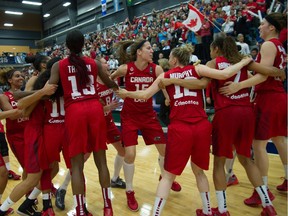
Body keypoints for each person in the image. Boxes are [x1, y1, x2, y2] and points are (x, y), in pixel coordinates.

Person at [115, 44, 254, 216]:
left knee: (167, 176)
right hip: (202, 126)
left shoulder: (166, 75)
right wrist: (244, 62)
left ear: (173, 59)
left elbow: (144, 95)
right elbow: (225, 74)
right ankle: (208, 211)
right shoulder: (198, 70)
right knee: (200, 173)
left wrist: (126, 94)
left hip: (180, 127)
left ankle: (156, 213)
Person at [159, 35, 284, 216]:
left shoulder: (213, 63)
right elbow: (266, 73)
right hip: (247, 113)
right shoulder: (243, 61)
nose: (210, 52)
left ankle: (223, 209)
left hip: (226, 114)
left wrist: (173, 81)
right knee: (247, 159)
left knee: (219, 163)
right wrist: (278, 73)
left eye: (211, 49)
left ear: (216, 49)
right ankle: (268, 205)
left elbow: (202, 83)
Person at [49, 29, 118, 216]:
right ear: (84, 44)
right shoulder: (94, 63)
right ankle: (108, 207)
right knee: (101, 162)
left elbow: (50, 89)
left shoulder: (59, 65)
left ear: (66, 46)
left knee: (77, 165)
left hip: (75, 111)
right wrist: (120, 89)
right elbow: (109, 82)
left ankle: (80, 209)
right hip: (95, 109)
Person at [219, 12, 288, 202]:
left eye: (263, 24)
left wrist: (238, 85)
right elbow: (266, 74)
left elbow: (264, 76)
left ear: (271, 27)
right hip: (278, 96)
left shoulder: (267, 45)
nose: (259, 27)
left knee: (258, 146)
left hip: (268, 98)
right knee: (280, 139)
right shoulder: (279, 46)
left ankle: (262, 191)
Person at [110, 39, 181, 212]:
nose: (152, 51)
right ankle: (129, 191)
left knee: (165, 151)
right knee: (130, 154)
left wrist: (166, 96)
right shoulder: (125, 68)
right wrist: (115, 92)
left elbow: (162, 83)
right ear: (139, 52)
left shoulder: (155, 68)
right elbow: (110, 79)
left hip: (149, 116)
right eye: (149, 48)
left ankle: (165, 176)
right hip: (130, 116)